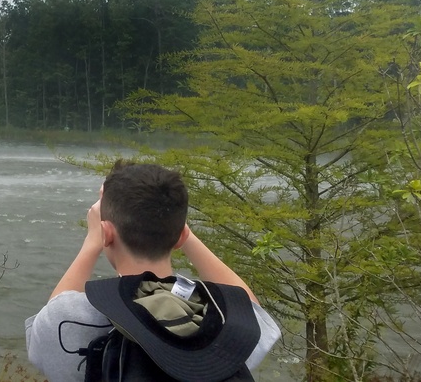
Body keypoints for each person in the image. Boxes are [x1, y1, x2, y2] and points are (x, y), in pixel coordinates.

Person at [25, 161, 281, 381]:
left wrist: (92, 243)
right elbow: (253, 312)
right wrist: (186, 235)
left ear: (107, 234)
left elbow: (42, 331)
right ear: (180, 237)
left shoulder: (73, 319)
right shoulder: (218, 320)